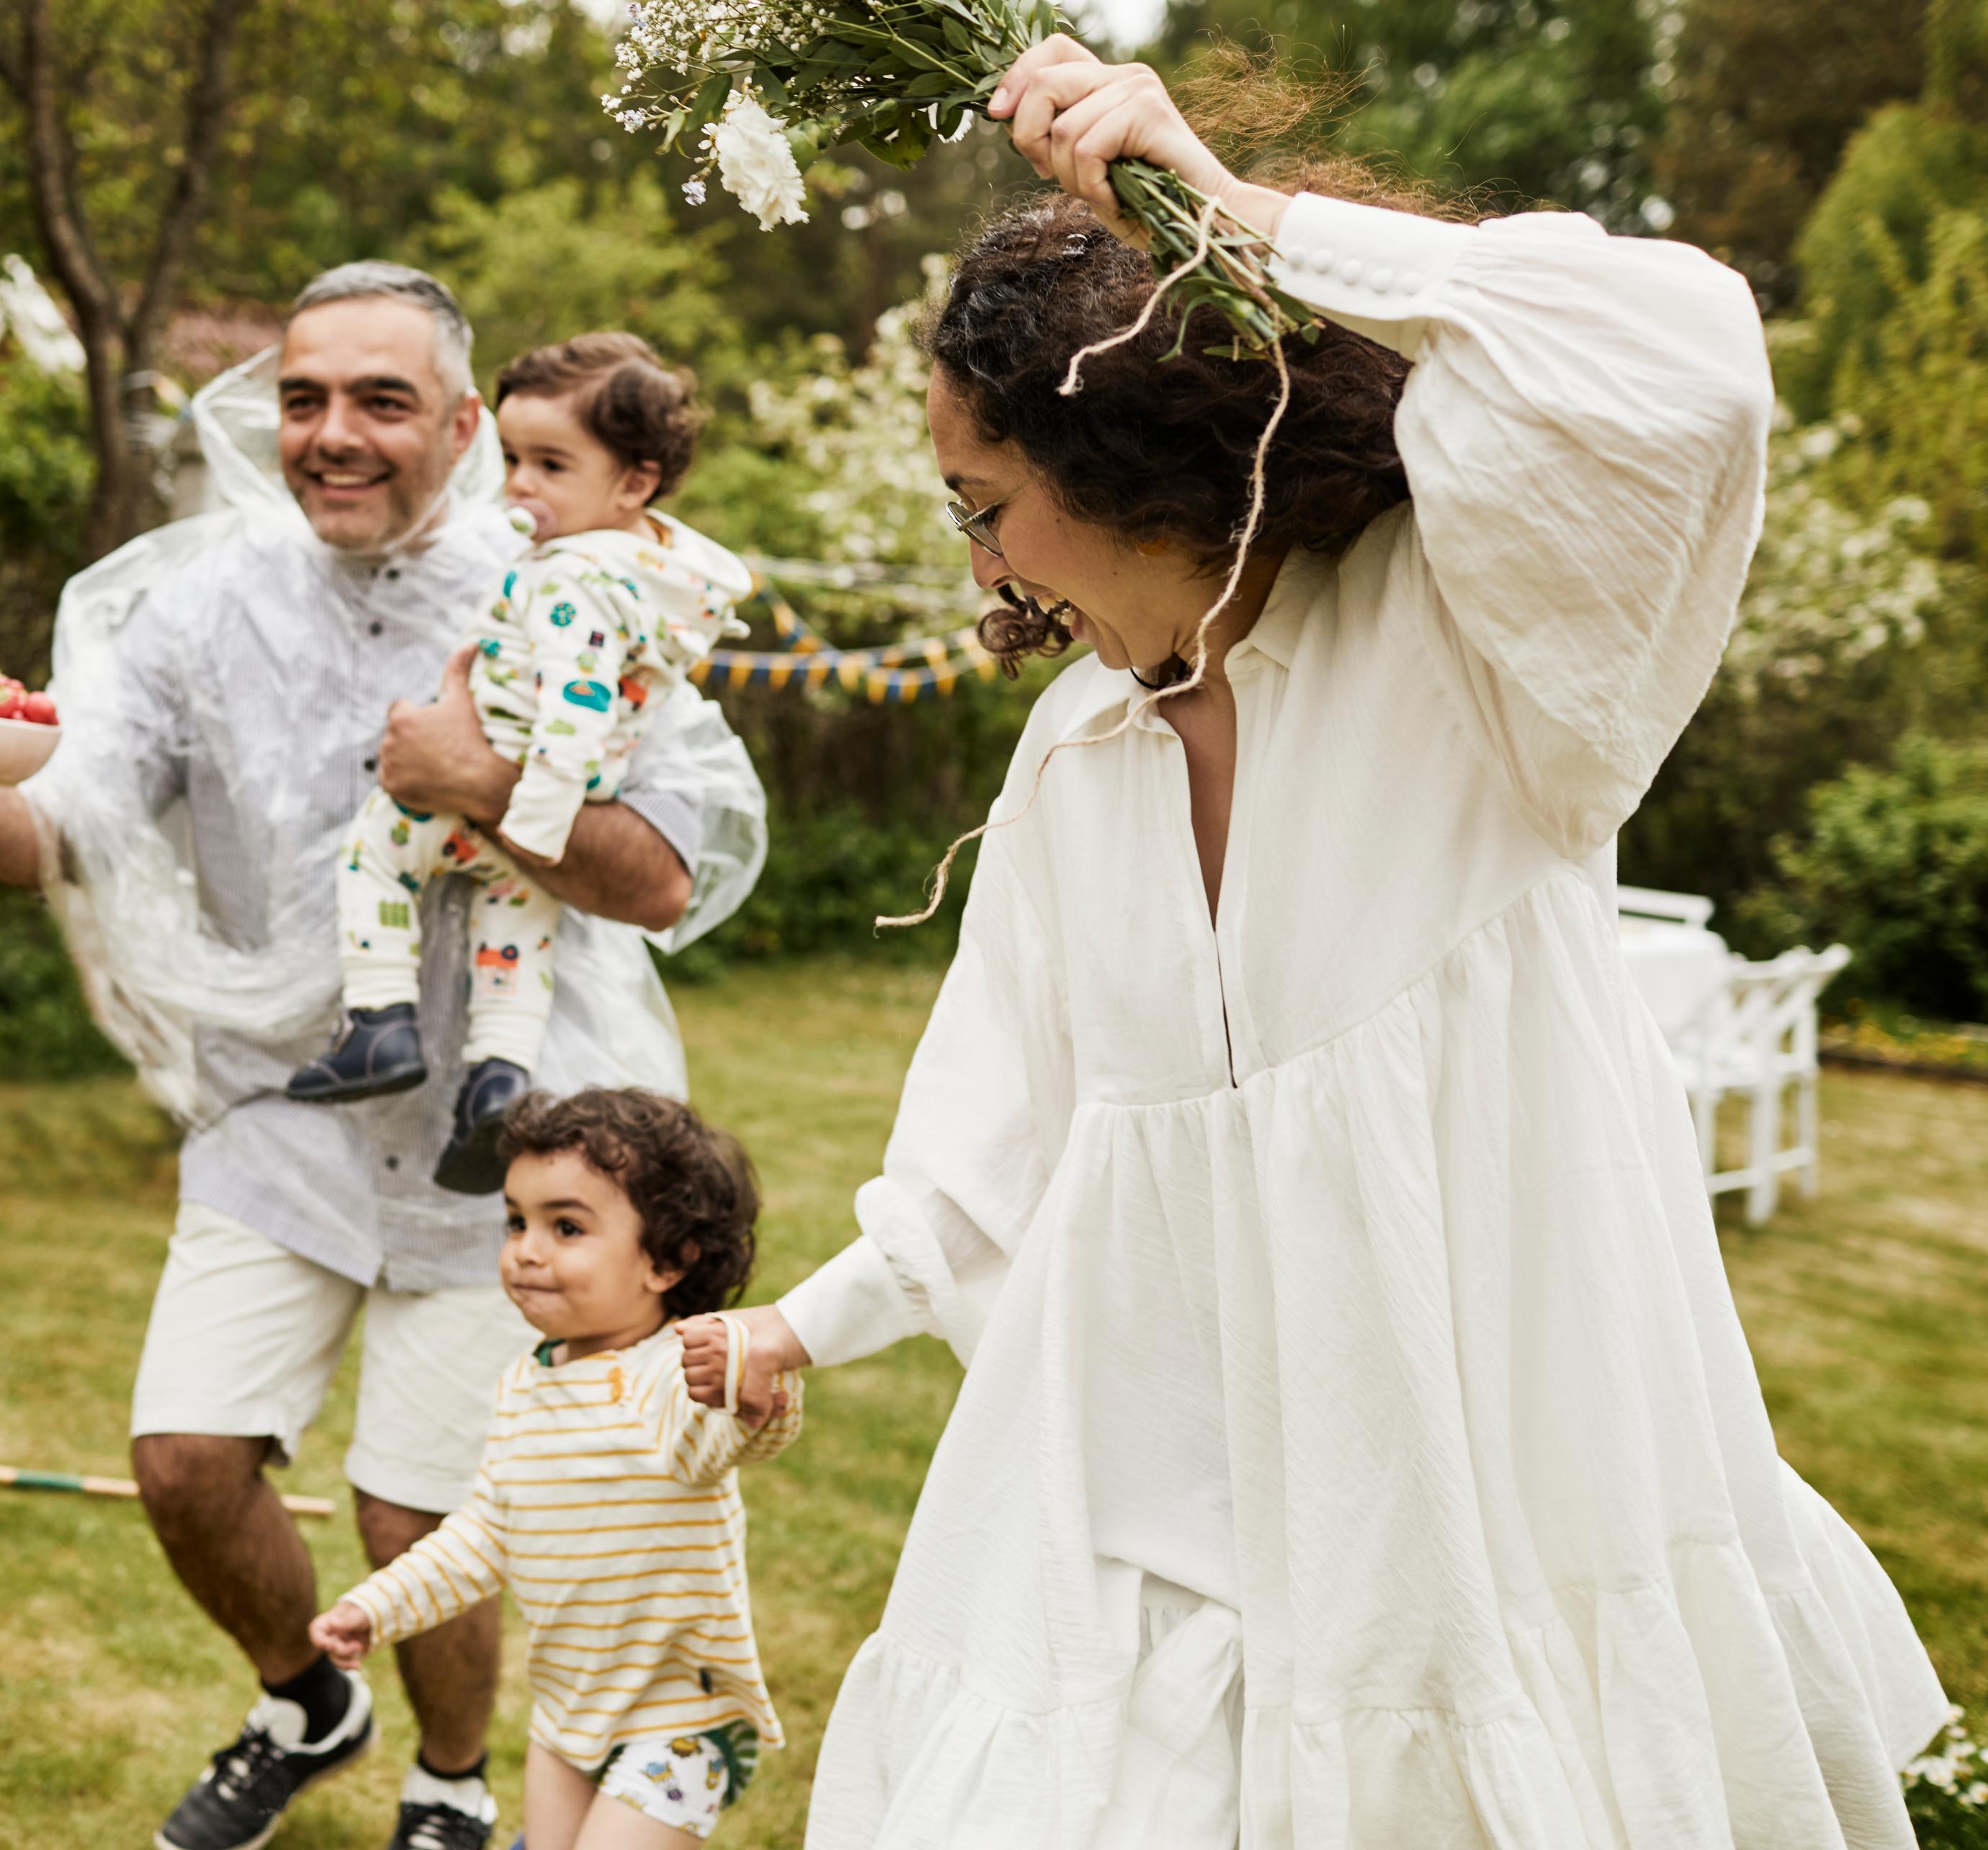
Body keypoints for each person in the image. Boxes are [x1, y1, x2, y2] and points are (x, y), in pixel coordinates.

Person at [693, 37, 1949, 1850]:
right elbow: (991, 1146)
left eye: (984, 505)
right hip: (1142, 1536)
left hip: (1470, 1532)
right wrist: (790, 1330)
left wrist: (1230, 213)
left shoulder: (1475, 656)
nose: (978, 572)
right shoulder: (1075, 753)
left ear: (1124, 458)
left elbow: (1681, 365)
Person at [0, 263, 766, 1850]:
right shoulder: (200, 603)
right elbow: (54, 830)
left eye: (380, 401)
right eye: (303, 399)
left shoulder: (575, 578)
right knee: (184, 1458)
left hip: (515, 1135)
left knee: (418, 1510)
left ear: (470, 426)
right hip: (283, 1104)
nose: (332, 435)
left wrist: (478, 778)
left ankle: (449, 1776)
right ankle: (307, 1697)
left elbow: (669, 873)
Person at [289, 335, 753, 1195]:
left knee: (374, 860)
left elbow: (576, 703)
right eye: (512, 458)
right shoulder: (658, 578)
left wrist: (532, 815)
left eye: (549, 463)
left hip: (494, 800)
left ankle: (379, 1022)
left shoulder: (570, 577)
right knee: (514, 943)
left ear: (634, 481)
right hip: (543, 822)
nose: (519, 486)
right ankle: (497, 1083)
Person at [310, 1088, 801, 1850]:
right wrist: (379, 1607)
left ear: (667, 1259)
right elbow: (484, 1535)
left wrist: (750, 1386)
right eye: (516, 1221)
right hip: (569, 1710)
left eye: (565, 1226)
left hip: (682, 1720)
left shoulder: (674, 1373)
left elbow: (730, 1436)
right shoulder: (526, 1384)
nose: (526, 1249)